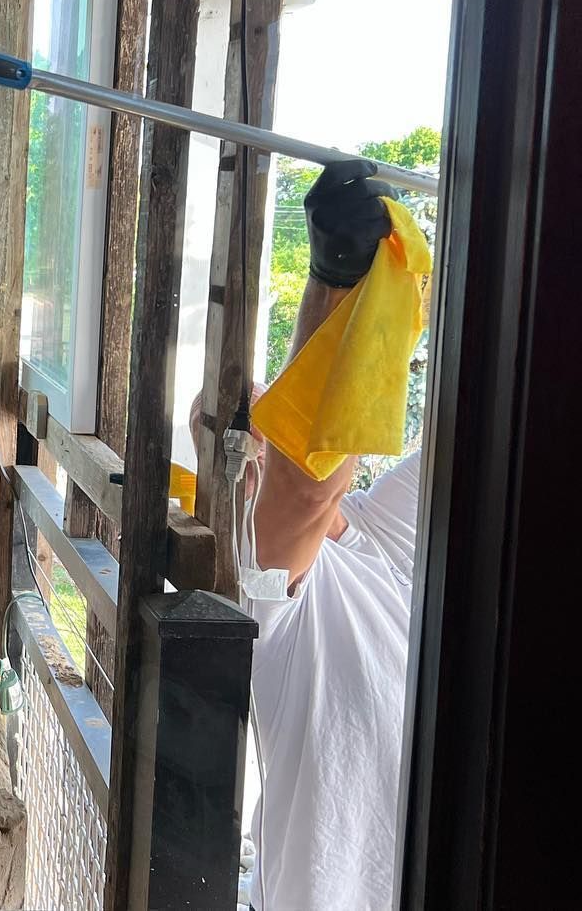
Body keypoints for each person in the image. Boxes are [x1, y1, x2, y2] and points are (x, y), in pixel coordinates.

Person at [199, 161, 422, 911]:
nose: (262, 432)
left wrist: (353, 283)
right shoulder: (274, 595)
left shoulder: (381, 537)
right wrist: (335, 275)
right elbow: (308, 477)